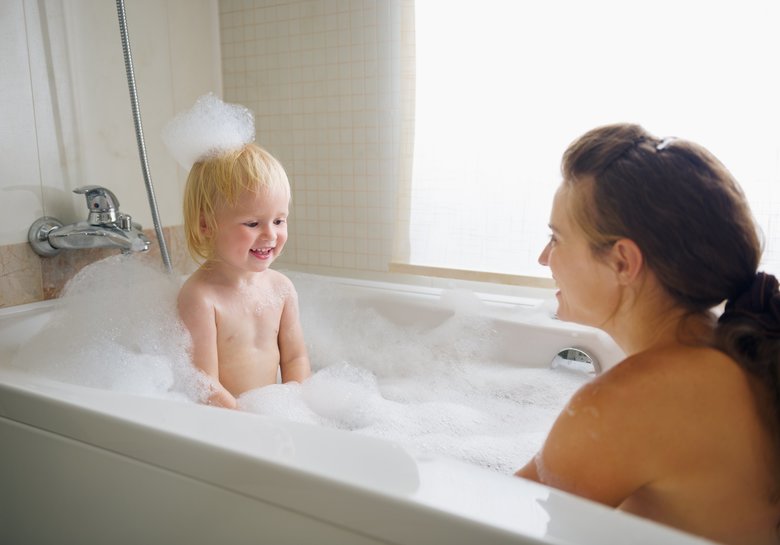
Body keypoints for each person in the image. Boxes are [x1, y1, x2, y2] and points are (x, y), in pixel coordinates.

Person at [515, 123, 780, 545]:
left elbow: (487, 524)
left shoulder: (627, 403)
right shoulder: (737, 353)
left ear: (622, 262)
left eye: (556, 237)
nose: (544, 257)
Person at [177, 143, 311, 409]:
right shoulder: (201, 297)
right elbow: (204, 383)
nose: (270, 235)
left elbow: (295, 359)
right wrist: (244, 419)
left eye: (279, 220)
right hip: (227, 420)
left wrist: (296, 408)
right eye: (252, 223)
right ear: (206, 225)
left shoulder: (281, 288)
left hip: (274, 414)